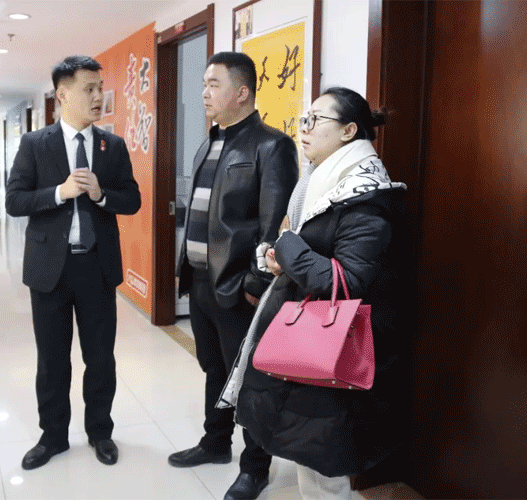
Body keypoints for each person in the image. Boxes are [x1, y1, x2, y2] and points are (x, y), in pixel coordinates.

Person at [225, 87, 408, 499]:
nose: (303, 129)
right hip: (313, 341)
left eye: (314, 120)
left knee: (322, 468)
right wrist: (281, 257)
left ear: (348, 131)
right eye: (303, 120)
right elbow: (313, 255)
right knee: (310, 457)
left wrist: (289, 245)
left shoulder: (365, 198)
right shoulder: (322, 184)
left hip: (336, 348)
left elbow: (347, 282)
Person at [169, 52, 298, 500]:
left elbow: (273, 225)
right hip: (200, 282)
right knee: (214, 368)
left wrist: (255, 285)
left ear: (242, 93)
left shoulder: (271, 146)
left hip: (239, 287)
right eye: (204, 84)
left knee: (250, 379)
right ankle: (215, 442)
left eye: (214, 84)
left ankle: (255, 468)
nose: (204, 93)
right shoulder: (208, 143)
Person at [5, 55, 141, 470]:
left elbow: (132, 199)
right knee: (52, 360)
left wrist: (101, 195)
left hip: (96, 268)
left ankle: (100, 431)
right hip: (50, 270)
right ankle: (53, 437)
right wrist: (59, 193)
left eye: (100, 88)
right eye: (89, 89)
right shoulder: (35, 144)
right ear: (63, 95)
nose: (99, 96)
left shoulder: (112, 146)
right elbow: (15, 200)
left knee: (100, 358)